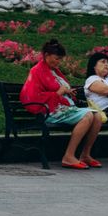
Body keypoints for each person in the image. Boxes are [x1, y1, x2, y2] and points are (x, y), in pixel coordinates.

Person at [20, 38, 103, 169]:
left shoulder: (54, 71)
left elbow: (59, 89)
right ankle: (69, 156)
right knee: (88, 115)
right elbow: (32, 96)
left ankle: (85, 154)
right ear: (46, 55)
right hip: (49, 110)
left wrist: (68, 92)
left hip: (62, 108)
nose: (58, 62)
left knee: (97, 116)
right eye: (56, 58)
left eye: (60, 59)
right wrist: (58, 93)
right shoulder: (37, 71)